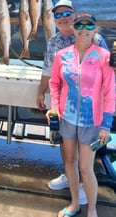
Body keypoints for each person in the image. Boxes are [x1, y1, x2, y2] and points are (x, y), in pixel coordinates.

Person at [36, 0, 108, 205]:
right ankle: (69, 176)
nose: (62, 18)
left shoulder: (96, 39)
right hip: (64, 104)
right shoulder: (53, 42)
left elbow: (109, 73)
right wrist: (41, 93)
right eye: (57, 15)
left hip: (90, 106)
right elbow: (49, 72)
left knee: (87, 149)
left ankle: (86, 183)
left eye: (66, 13)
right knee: (64, 142)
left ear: (75, 15)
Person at [46, 12, 115, 217]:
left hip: (91, 122)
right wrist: (55, 107)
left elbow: (111, 91)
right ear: (74, 29)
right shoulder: (62, 55)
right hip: (66, 119)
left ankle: (92, 210)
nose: (83, 30)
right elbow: (54, 83)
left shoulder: (104, 57)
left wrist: (105, 124)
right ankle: (75, 204)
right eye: (79, 26)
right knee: (69, 163)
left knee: (86, 168)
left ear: (94, 29)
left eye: (88, 26)